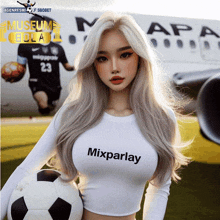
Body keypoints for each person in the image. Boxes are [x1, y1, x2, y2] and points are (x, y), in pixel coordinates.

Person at [1, 12, 190, 220]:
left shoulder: (162, 118)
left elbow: (159, 190)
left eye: (125, 54)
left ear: (140, 57)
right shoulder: (74, 113)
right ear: (93, 63)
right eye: (102, 58)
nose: (114, 67)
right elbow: (26, 168)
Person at [17, 15, 75, 115]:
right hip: (37, 82)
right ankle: (43, 107)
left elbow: (67, 66)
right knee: (43, 103)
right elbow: (20, 67)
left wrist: (77, 66)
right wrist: (14, 76)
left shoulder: (58, 48)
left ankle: (46, 111)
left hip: (54, 84)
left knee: (51, 108)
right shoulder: (25, 46)